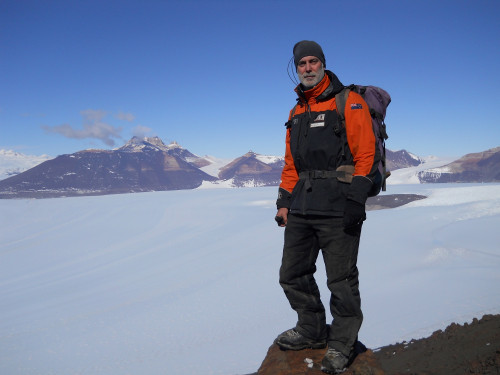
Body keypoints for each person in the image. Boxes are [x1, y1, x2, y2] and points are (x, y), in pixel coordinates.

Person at [274, 40, 380, 374]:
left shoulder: (348, 101)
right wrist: (283, 203)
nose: (307, 67)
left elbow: (367, 152)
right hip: (303, 204)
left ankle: (342, 343)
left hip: (339, 206)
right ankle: (311, 329)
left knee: (341, 280)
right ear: (297, 67)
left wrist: (356, 199)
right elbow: (292, 163)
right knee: (292, 274)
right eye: (302, 63)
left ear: (322, 63)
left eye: (313, 61)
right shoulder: (296, 111)